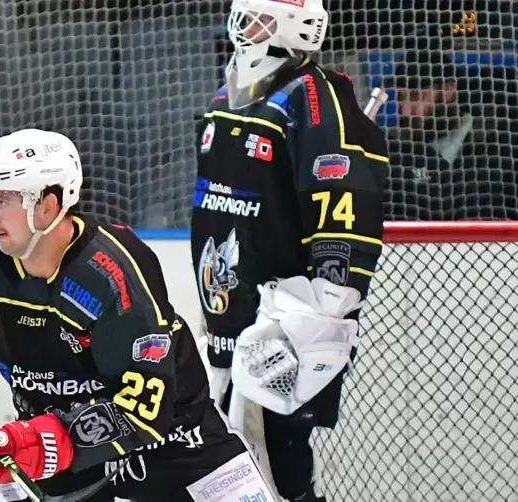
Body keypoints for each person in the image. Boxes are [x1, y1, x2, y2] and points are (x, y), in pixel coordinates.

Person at [0, 128, 279, 502]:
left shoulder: (111, 272)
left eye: (3, 200)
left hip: (174, 447)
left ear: (48, 205)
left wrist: (41, 443)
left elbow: (147, 410)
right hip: (58, 448)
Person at [190, 1, 388, 501]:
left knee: (281, 458)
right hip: (229, 308)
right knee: (230, 460)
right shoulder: (229, 94)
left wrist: (327, 303)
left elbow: (344, 198)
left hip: (282, 314)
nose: (243, 28)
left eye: (255, 17)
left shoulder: (312, 97)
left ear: (289, 26)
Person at [387, 49, 518, 220]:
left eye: (415, 96)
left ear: (448, 90)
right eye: (400, 98)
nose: (405, 111)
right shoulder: (395, 158)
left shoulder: (502, 148)